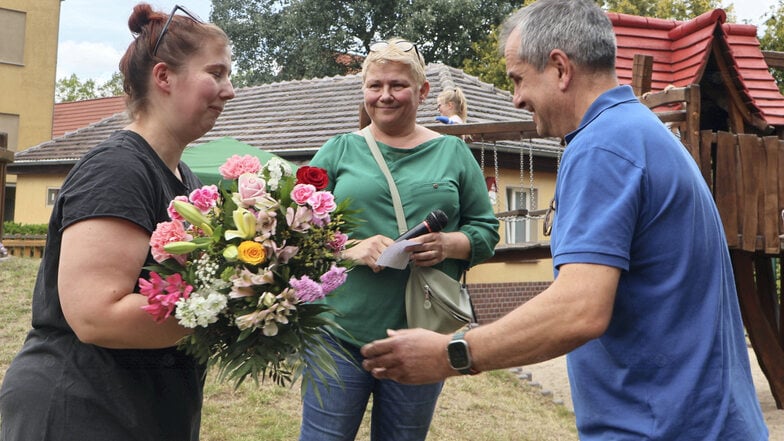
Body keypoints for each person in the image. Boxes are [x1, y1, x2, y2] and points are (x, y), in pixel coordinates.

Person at [360, 1, 769, 440]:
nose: (516, 97)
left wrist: (452, 353)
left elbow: (580, 309)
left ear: (559, 68)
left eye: (518, 78)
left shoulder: (602, 148)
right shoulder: (640, 132)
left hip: (661, 429)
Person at [0, 3, 235, 440]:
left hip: (141, 406)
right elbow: (97, 316)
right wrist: (234, 303)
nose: (230, 90)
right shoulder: (119, 170)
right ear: (164, 77)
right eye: (217, 73)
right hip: (83, 407)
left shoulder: (182, 178)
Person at [298, 37, 499, 441]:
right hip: (338, 332)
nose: (384, 96)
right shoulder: (339, 150)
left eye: (397, 85)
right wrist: (351, 248)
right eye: (375, 86)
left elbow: (486, 229)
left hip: (421, 339)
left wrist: (449, 245)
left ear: (423, 91)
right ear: (364, 90)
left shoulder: (453, 153)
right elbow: (294, 232)